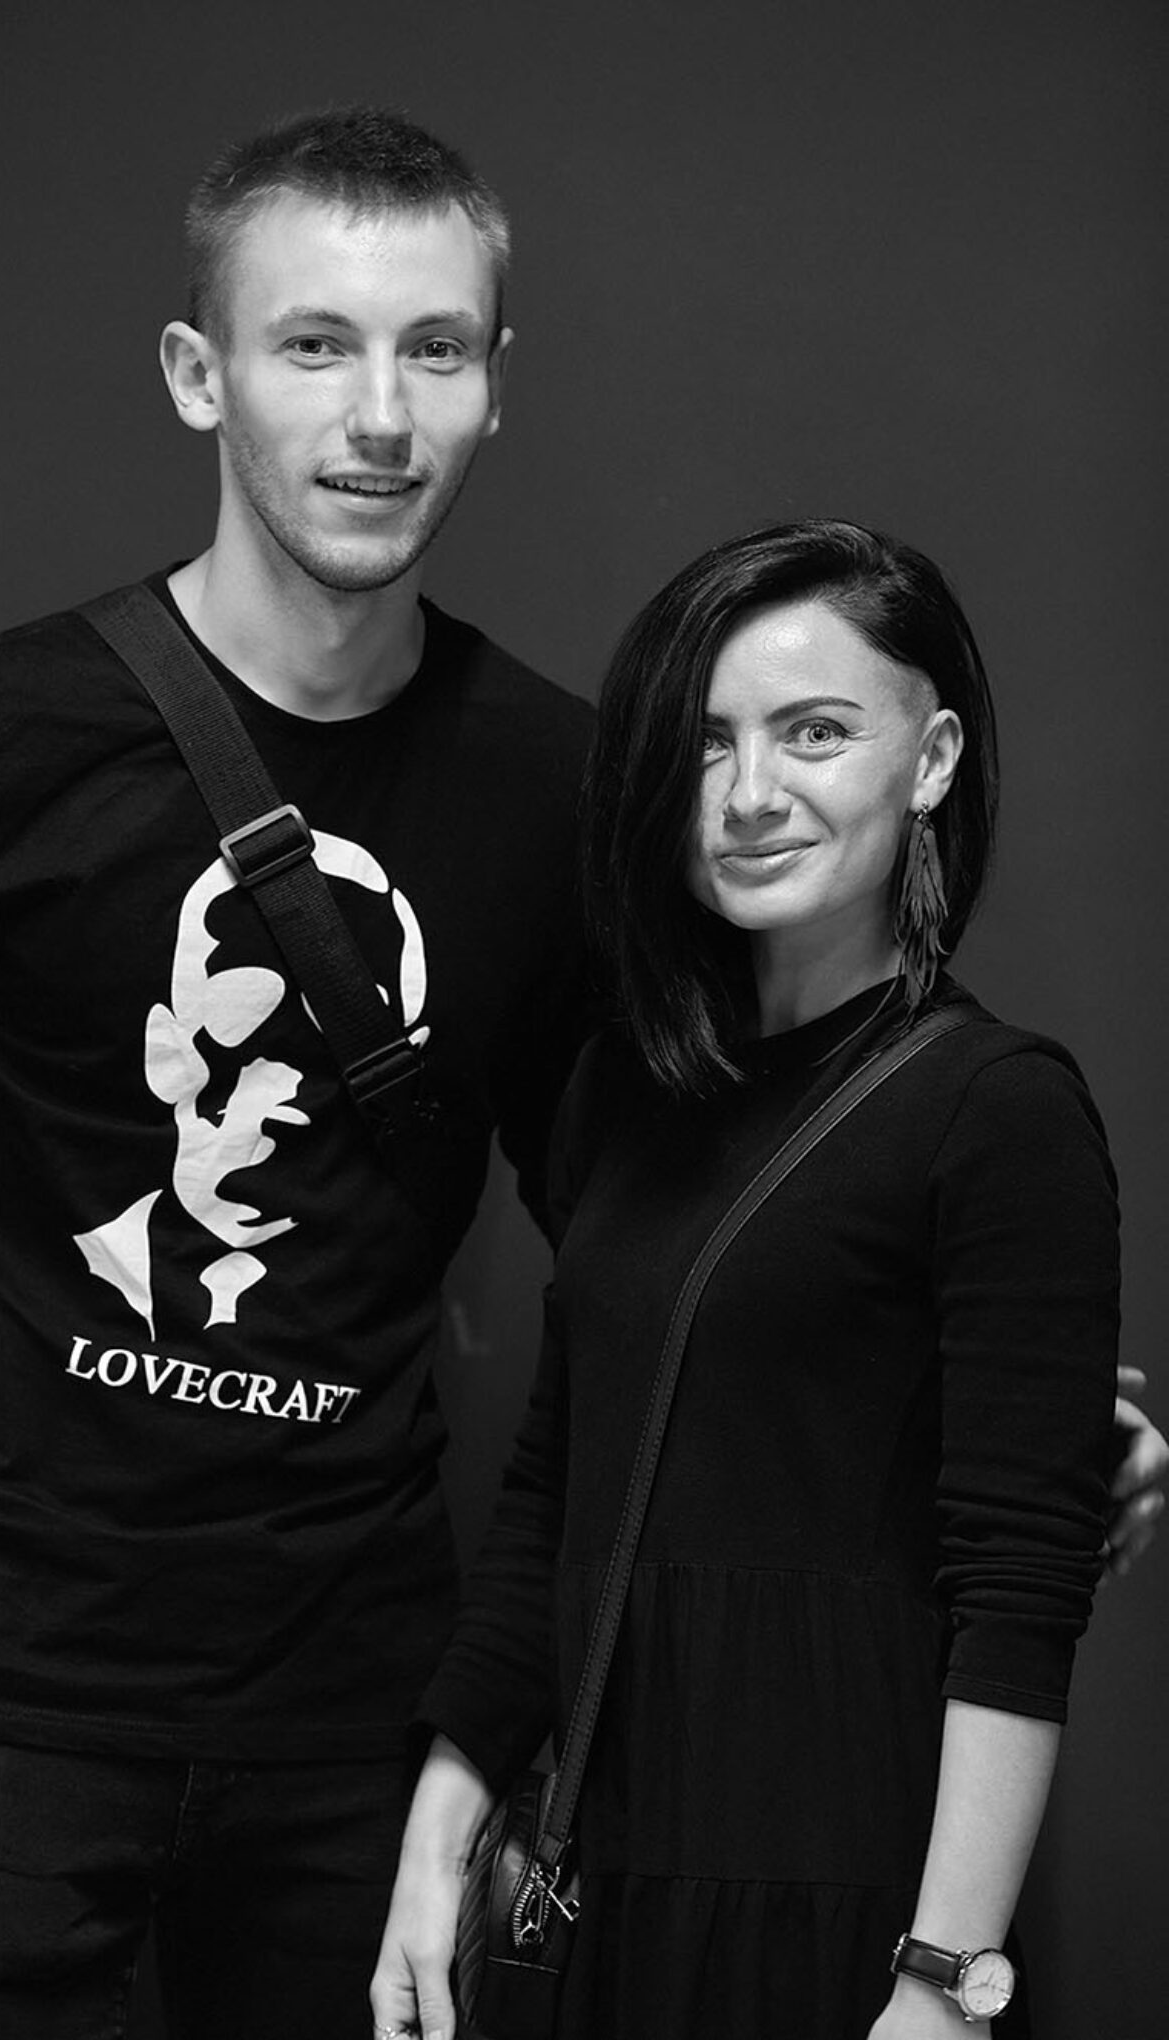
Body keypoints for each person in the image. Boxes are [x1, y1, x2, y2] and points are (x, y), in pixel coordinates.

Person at [0, 108, 595, 2039]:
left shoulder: (553, 788)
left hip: (354, 1726)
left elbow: (658, 1217)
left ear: (496, 385)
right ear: (198, 373)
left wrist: (964, 1404)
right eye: (314, 343)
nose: (382, 414)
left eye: (436, 348)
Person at [372, 520, 1150, 2039]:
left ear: (932, 761)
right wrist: (438, 1836)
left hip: (842, 1904)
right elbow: (556, 1491)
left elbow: (1017, 1592)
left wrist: (944, 1985)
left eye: (814, 733)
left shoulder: (995, 1109)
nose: (747, 793)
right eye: (707, 742)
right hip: (596, 1883)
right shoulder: (620, 1091)